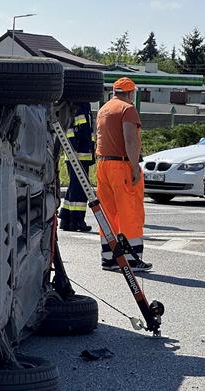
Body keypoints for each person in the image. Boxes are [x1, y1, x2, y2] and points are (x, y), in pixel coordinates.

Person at [95, 77, 152, 272]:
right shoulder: (128, 109)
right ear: (130, 93)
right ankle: (132, 259)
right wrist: (135, 167)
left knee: (108, 213)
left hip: (103, 164)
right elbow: (131, 141)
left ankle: (109, 258)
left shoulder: (104, 109)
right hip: (122, 165)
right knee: (131, 212)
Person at [59, 102, 95, 232]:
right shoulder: (76, 105)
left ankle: (66, 219)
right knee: (79, 190)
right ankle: (77, 220)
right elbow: (69, 128)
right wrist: (72, 148)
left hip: (80, 154)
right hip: (77, 154)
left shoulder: (83, 105)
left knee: (74, 187)